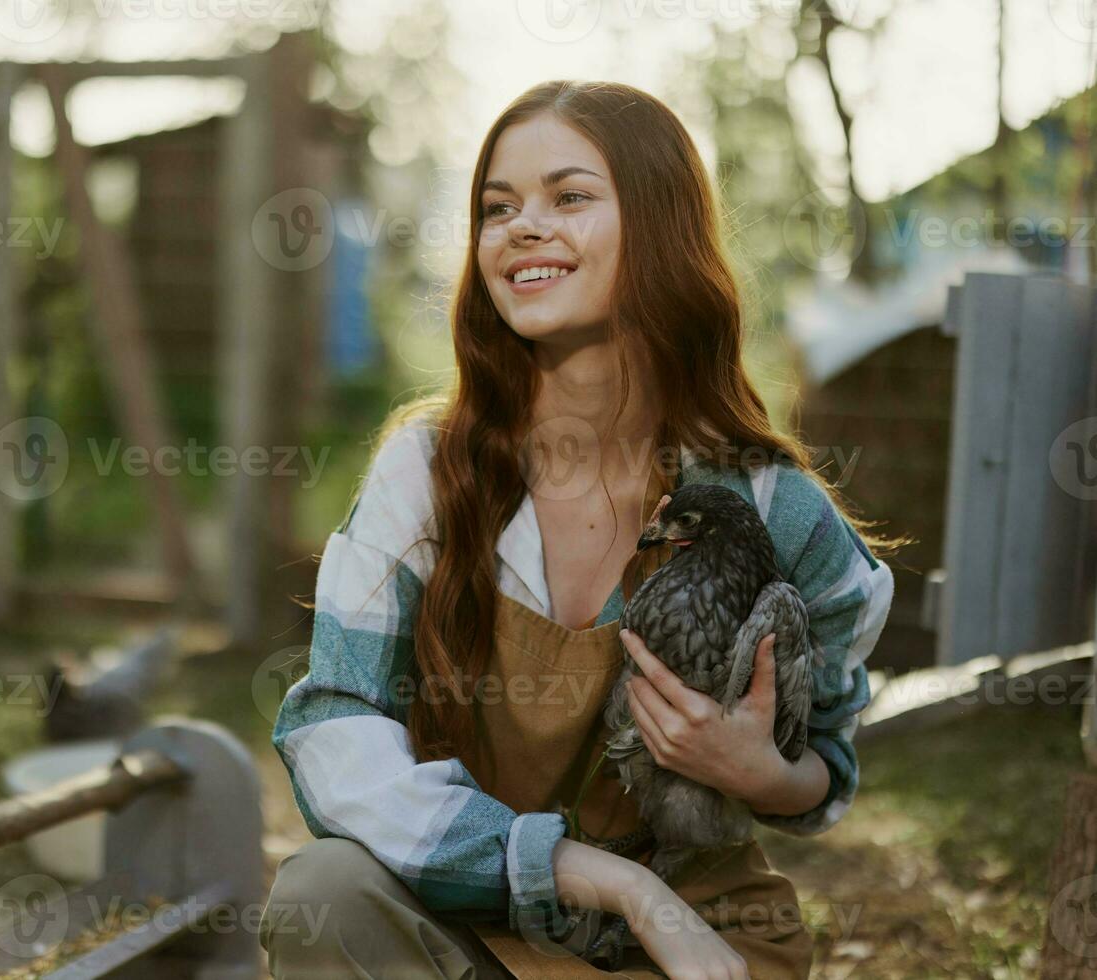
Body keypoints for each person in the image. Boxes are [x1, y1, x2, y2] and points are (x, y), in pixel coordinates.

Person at [259, 79, 898, 979]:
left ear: (659, 226)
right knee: (322, 894)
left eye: (569, 197)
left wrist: (756, 770)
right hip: (479, 922)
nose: (522, 227)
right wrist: (600, 878)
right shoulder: (428, 473)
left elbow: (827, 765)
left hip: (692, 945)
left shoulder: (766, 503)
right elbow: (337, 732)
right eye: (498, 207)